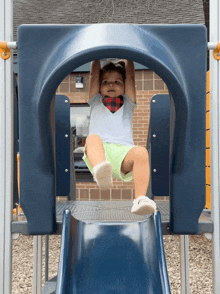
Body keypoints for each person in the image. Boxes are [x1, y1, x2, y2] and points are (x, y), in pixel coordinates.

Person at [82, 59, 156, 215]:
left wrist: (129, 57)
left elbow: (130, 78)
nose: (111, 85)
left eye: (117, 82)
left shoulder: (128, 103)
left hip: (123, 154)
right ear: (99, 87)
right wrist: (96, 57)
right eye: (106, 82)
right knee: (92, 138)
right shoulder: (96, 101)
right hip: (99, 154)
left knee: (141, 152)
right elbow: (94, 75)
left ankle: (140, 199)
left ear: (124, 87)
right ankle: (101, 172)